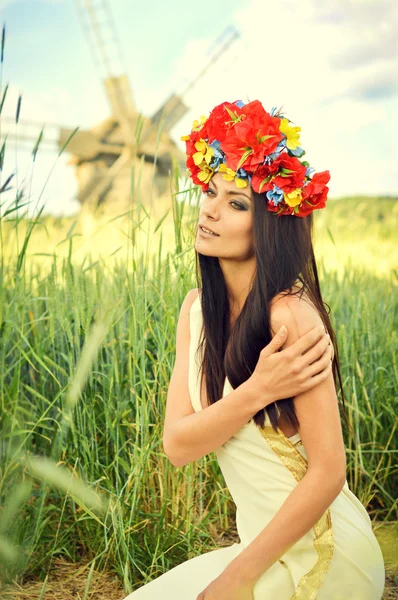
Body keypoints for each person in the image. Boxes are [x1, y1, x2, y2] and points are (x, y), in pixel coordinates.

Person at [123, 100, 385, 599]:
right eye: (209, 192)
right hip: (258, 548)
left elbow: (329, 471)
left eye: (237, 202)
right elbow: (179, 447)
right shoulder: (196, 310)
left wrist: (237, 578)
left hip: (324, 552)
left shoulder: (289, 315)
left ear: (270, 223)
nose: (210, 209)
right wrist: (257, 391)